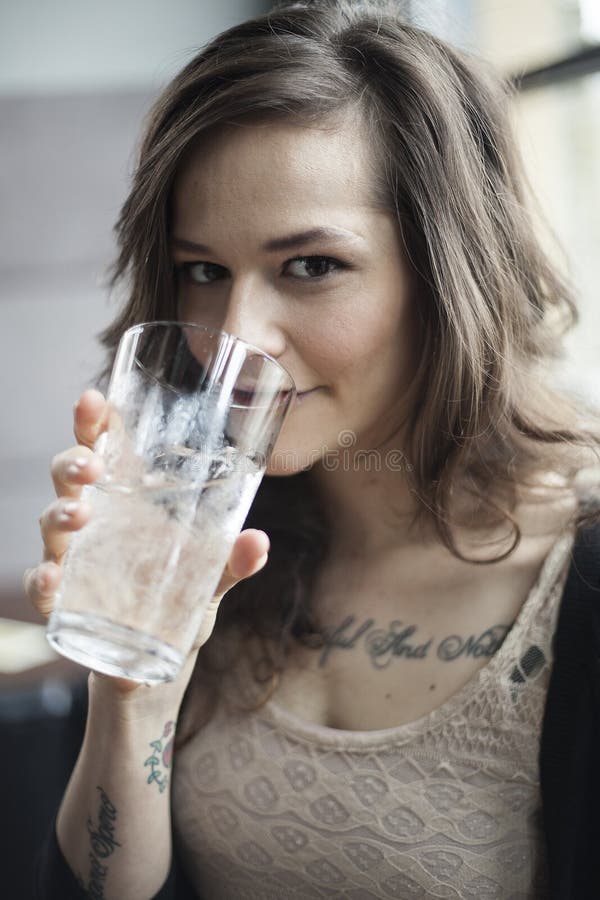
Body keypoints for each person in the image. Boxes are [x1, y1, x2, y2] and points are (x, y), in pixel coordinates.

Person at [25, 1, 600, 898]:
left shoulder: (578, 580)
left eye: (311, 266)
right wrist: (130, 691)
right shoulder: (195, 544)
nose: (235, 338)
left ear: (448, 274)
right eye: (204, 270)